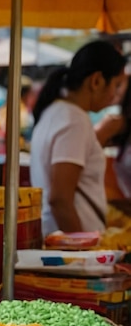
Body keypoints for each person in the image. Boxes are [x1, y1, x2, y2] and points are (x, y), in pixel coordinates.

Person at [29, 40, 128, 236]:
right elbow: (59, 199)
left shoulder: (55, 111)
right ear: (97, 81)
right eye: (116, 86)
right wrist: (81, 248)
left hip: (57, 241)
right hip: (72, 255)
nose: (115, 97)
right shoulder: (74, 120)